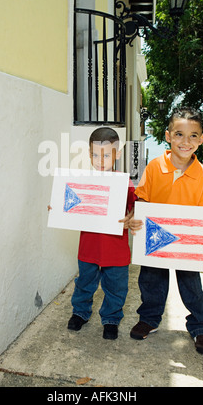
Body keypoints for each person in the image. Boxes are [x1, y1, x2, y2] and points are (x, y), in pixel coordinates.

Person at [129, 107, 203, 354]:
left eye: (193, 136)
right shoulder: (154, 167)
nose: (186, 141)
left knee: (191, 285)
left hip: (187, 244)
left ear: (201, 139)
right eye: (179, 134)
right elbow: (142, 201)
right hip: (155, 239)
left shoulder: (202, 174)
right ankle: (149, 319)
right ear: (168, 136)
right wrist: (136, 217)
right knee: (151, 281)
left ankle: (200, 326)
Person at [67, 127, 138, 340]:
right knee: (84, 283)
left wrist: (133, 214)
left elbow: (136, 206)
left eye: (106, 155)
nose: (100, 160)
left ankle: (111, 318)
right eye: (95, 155)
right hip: (89, 247)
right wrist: (58, 209)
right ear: (89, 155)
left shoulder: (124, 181)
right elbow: (69, 204)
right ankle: (80, 312)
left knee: (116, 288)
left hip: (115, 248)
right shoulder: (82, 181)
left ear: (116, 155)